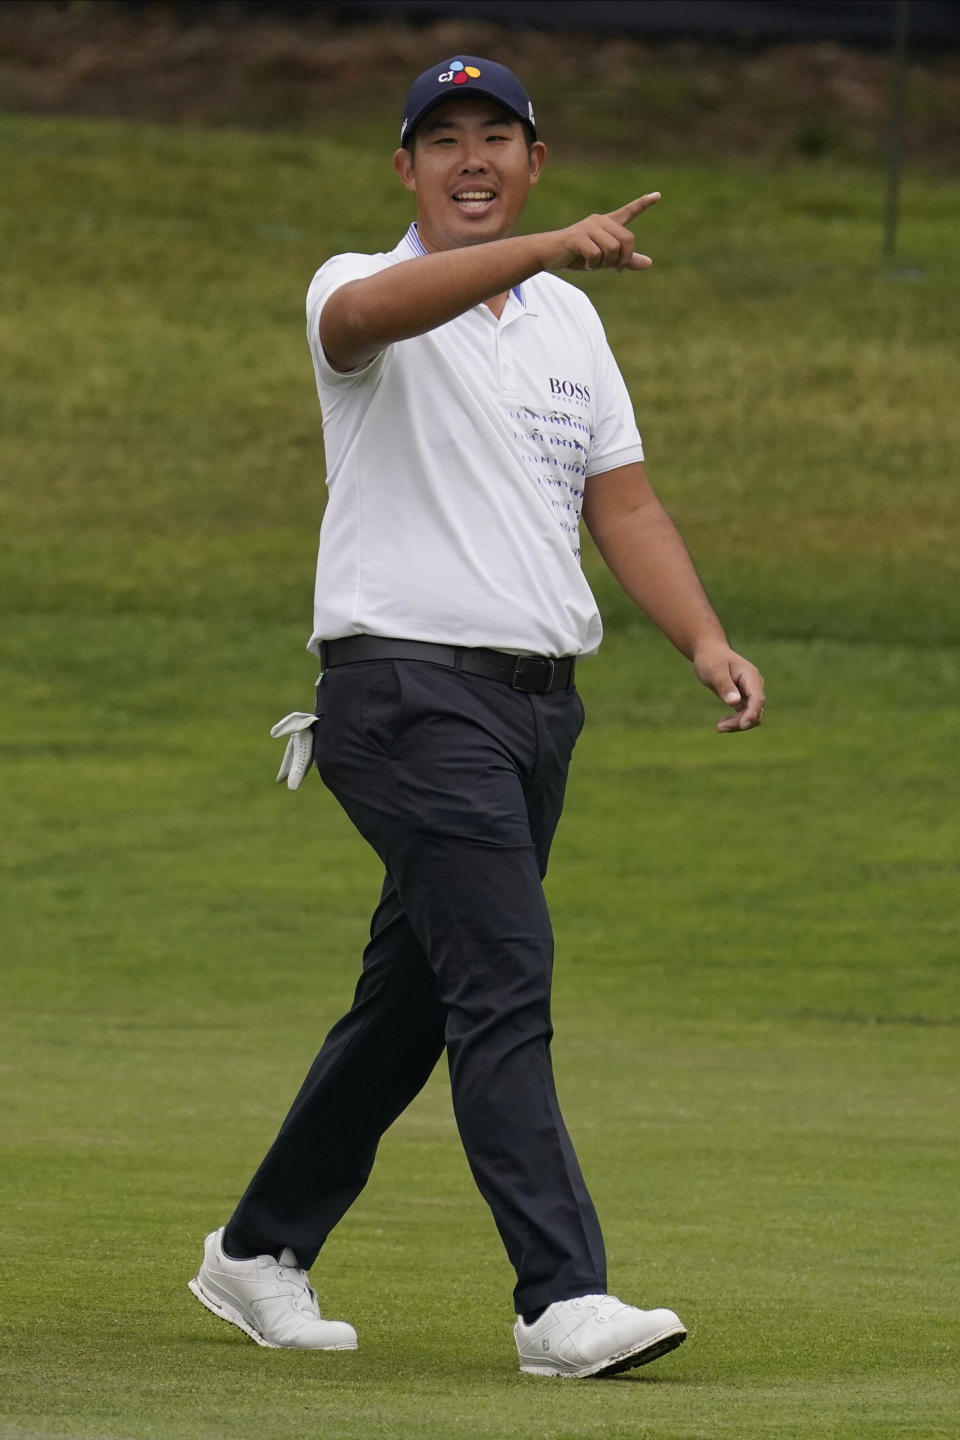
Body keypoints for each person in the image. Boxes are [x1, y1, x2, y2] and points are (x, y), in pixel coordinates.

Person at [188, 55, 765, 1380]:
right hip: (401, 695)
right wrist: (552, 248)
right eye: (440, 138)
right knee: (504, 976)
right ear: (404, 170)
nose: (469, 157)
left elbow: (622, 504)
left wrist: (703, 635)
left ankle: (257, 1247)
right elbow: (381, 312)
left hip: (534, 713)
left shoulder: (571, 329)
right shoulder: (354, 285)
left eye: (494, 136)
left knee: (418, 1003)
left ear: (534, 157)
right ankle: (561, 1300)